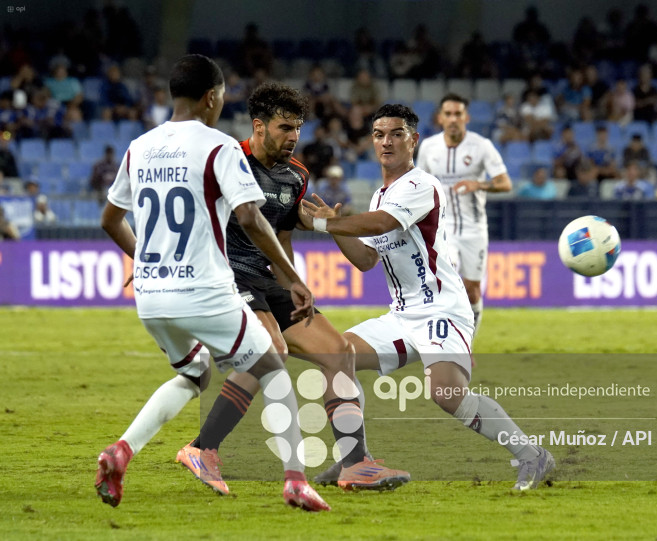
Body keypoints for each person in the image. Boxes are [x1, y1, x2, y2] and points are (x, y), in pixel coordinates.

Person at [95, 54, 329, 512]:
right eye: (222, 97)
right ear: (211, 97)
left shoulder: (139, 147)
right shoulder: (220, 147)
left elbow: (110, 219)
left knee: (194, 373)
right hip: (204, 290)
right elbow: (251, 218)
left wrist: (147, 260)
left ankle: (121, 450)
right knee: (272, 366)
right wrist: (291, 277)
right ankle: (296, 481)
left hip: (152, 296)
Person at [301, 103, 555, 491]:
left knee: (448, 394)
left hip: (442, 310)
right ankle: (354, 460)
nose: (386, 142)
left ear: (413, 140)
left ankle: (532, 454)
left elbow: (384, 224)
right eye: (379, 135)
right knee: (336, 355)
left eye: (396, 134)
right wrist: (335, 229)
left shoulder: (422, 185)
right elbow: (367, 259)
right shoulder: (379, 196)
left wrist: (326, 223)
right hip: (402, 315)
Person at [175, 81, 408, 492]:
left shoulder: (295, 175)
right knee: (271, 352)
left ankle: (355, 464)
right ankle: (201, 449)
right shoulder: (226, 161)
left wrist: (294, 285)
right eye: (285, 127)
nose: (294, 136)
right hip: (224, 275)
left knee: (339, 352)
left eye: (298, 128)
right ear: (258, 126)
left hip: (265, 279)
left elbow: (282, 238)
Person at [416, 94, 512, 336]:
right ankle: (441, 340)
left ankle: (467, 343)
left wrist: (478, 184)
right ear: (440, 118)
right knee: (445, 284)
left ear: (466, 117)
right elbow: (419, 185)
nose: (453, 119)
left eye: (458, 114)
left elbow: (505, 183)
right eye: (448, 114)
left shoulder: (481, 146)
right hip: (443, 229)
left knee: (472, 291)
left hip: (474, 229)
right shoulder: (429, 147)